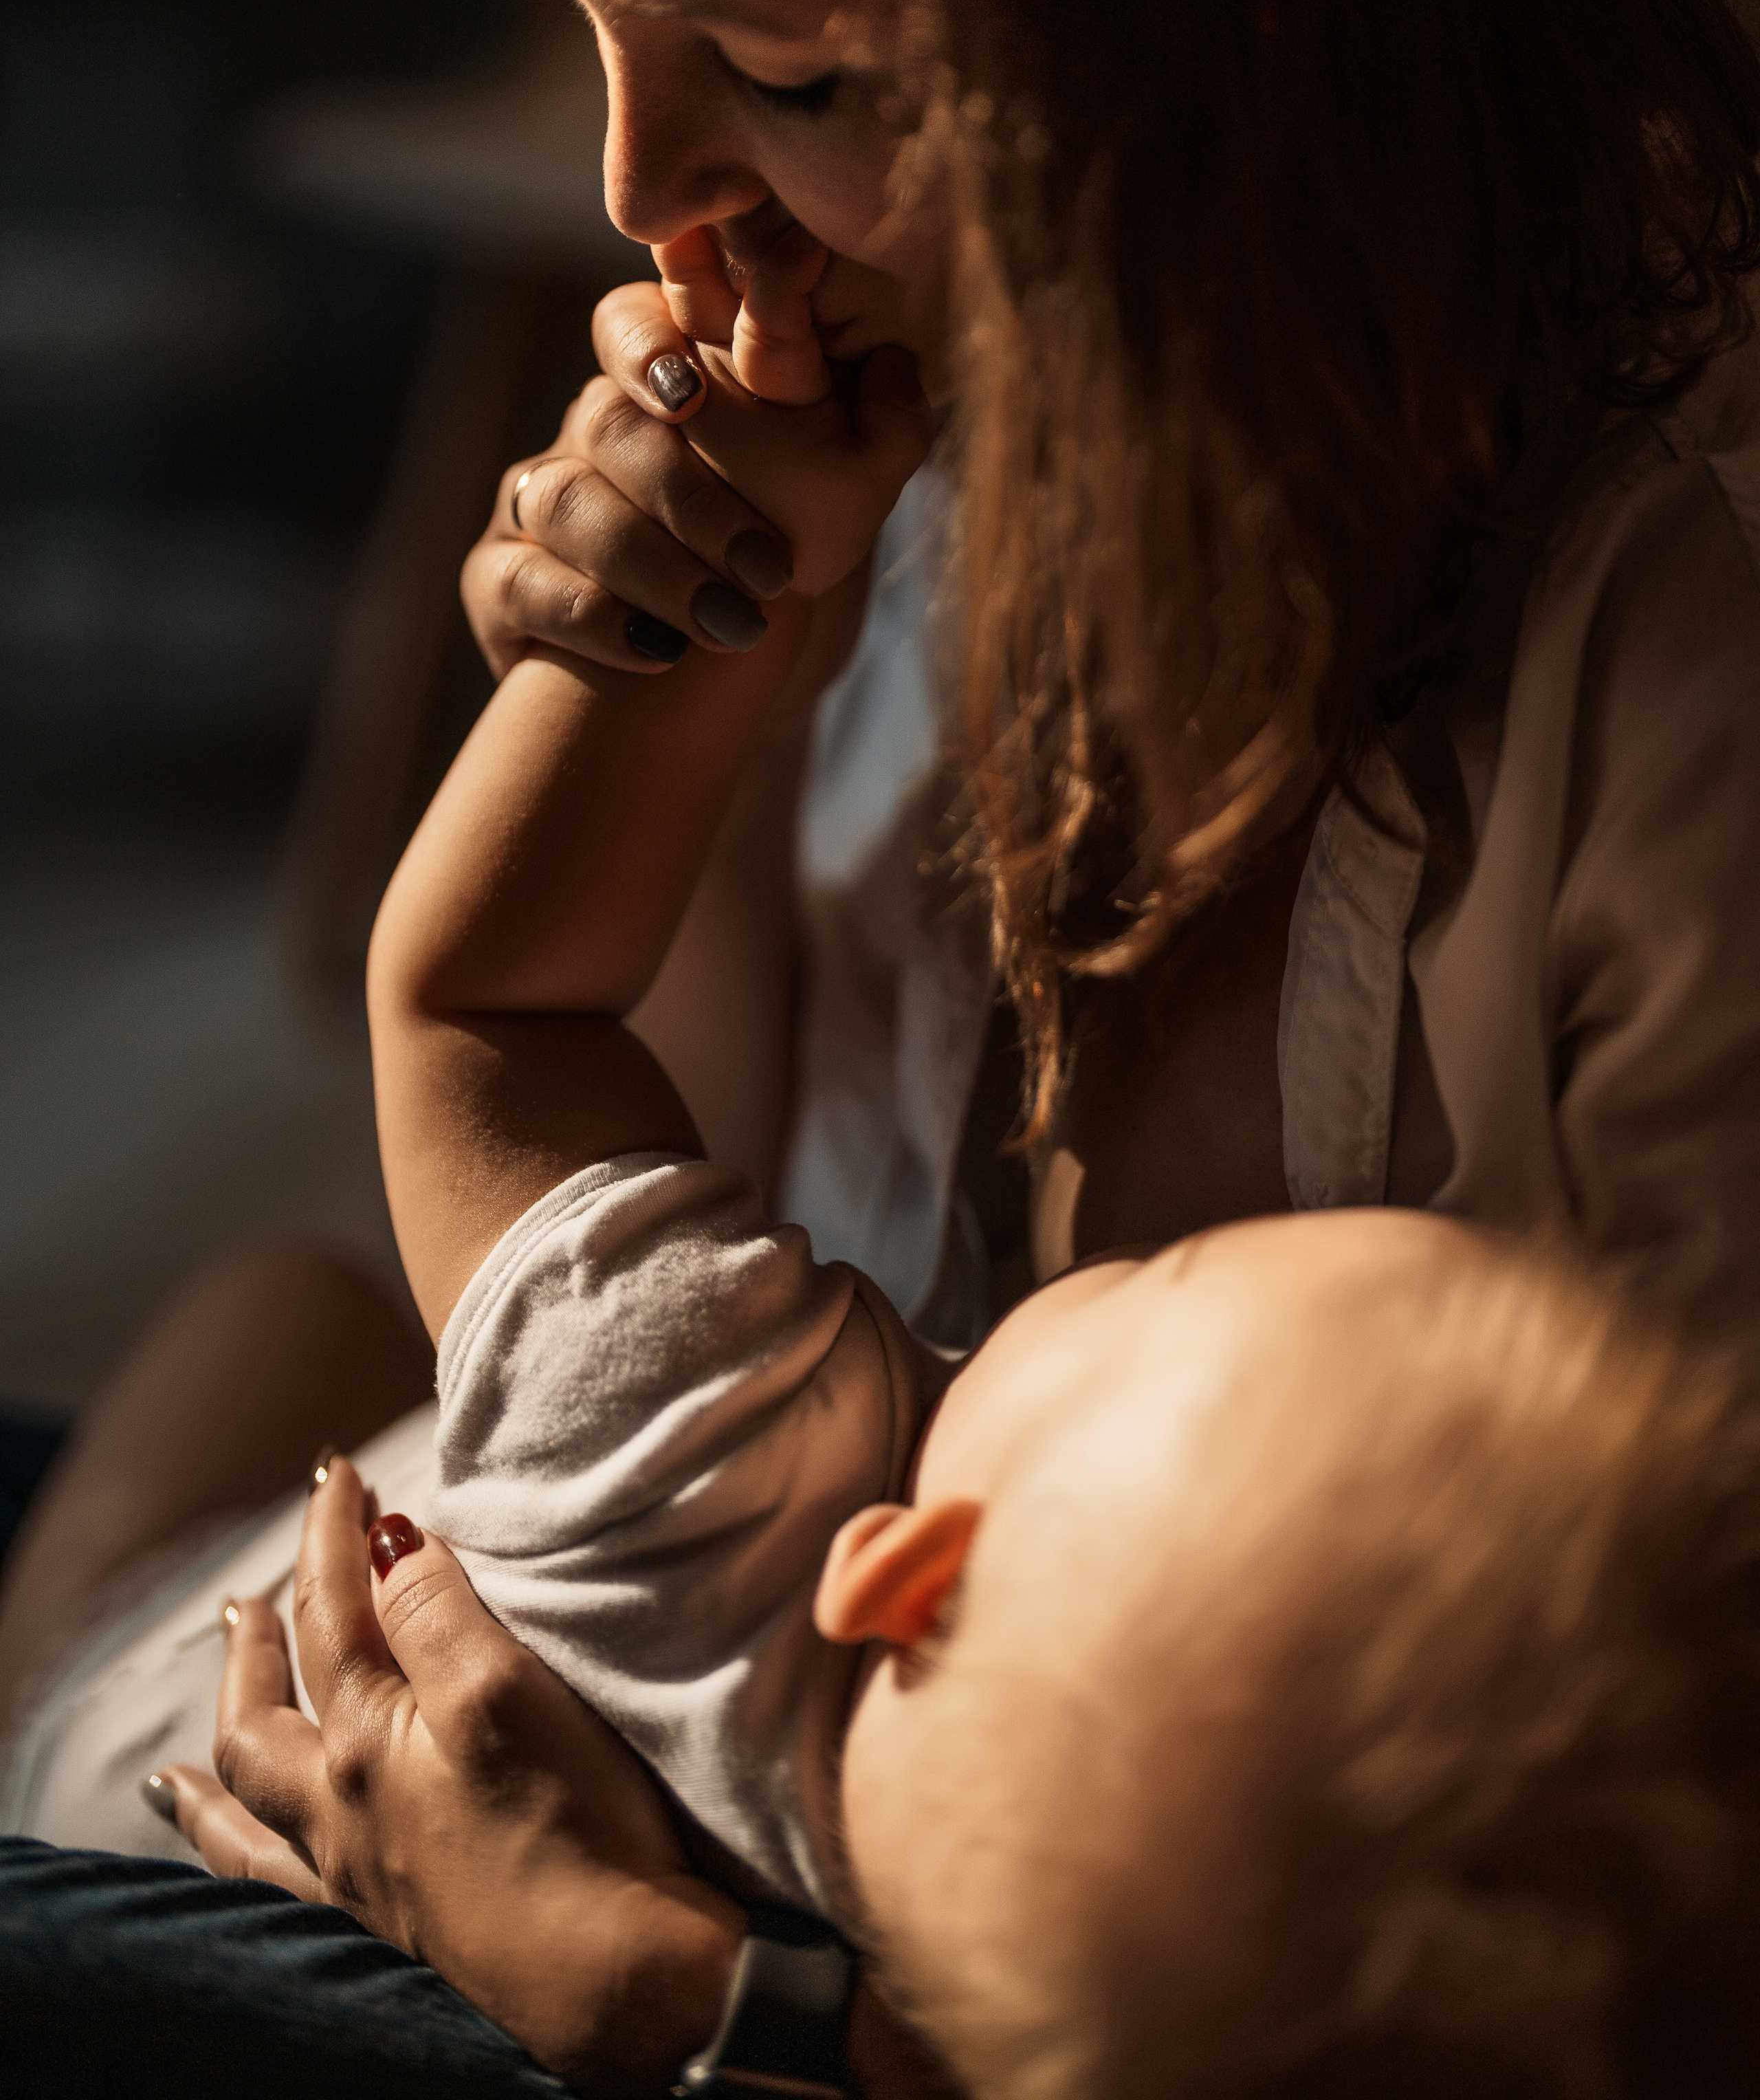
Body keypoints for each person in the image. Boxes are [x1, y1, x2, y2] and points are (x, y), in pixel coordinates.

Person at [7, 0, 1760, 2083]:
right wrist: (674, 684)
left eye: (792, 69)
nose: (641, 202)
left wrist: (700, 2012)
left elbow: (1592, 1934)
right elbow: (630, 1195)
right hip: (444, 1631)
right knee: (272, 1326)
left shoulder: (1683, 677)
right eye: (583, 23)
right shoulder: (913, 436)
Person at [20, 353, 1760, 2100]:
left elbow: (483, 1011)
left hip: (129, 1772)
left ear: (902, 1573)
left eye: (1161, 1280)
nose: (1112, 1254)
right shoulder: (1096, 1974)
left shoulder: (705, 1454)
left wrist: (655, 662)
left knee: (282, 1307)